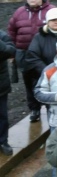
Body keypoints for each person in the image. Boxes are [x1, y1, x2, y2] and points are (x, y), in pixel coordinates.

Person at [8, 0, 54, 122]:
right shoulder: (19, 12)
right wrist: (12, 53)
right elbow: (11, 32)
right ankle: (34, 109)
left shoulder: (52, 11)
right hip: (25, 55)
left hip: (45, 56)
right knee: (29, 84)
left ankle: (50, 108)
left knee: (47, 83)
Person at [0, 28, 16, 156]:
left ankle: (2, 141)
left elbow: (10, 51)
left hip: (0, 85)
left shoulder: (2, 35)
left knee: (2, 116)